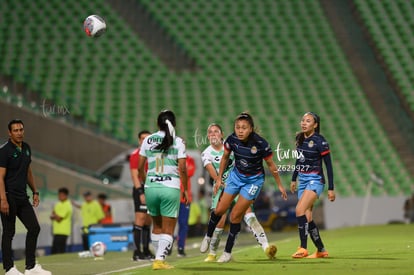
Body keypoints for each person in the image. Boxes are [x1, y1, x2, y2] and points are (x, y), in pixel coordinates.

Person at [200, 113, 287, 263]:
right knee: (219, 210)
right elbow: (225, 158)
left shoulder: (261, 144)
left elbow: (271, 165)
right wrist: (219, 177)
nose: (240, 131)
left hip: (253, 182)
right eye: (237, 127)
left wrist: (279, 184)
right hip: (235, 178)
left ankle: (227, 253)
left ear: (251, 129)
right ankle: (208, 237)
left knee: (235, 216)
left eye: (244, 128)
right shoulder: (232, 139)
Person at [0, 119, 52, 275]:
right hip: (8, 197)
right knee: (9, 232)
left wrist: (35, 191)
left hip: (22, 196)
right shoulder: (4, 151)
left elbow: (28, 171)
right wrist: (2, 199)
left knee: (34, 228)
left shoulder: (27, 148)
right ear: (9, 133)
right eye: (15, 130)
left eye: (21, 129)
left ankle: (30, 267)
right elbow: (0, 177)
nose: (19, 132)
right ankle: (9, 268)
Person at [138, 110, 188, 270]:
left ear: (157, 123)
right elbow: (182, 168)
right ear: (174, 124)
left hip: (151, 186)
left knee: (156, 226)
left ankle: (158, 256)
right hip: (170, 187)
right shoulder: (178, 141)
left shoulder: (147, 140)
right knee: (168, 228)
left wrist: (147, 182)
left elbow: (140, 167)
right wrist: (185, 189)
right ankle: (159, 260)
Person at [290, 112, 335, 258]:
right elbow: (299, 160)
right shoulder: (300, 138)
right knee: (307, 217)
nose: (303, 123)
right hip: (302, 181)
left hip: (315, 180)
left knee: (299, 210)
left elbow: (328, 165)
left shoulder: (320, 141)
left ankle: (303, 247)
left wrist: (331, 188)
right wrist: (294, 178)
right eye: (302, 120)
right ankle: (321, 250)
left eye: (308, 121)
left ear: (315, 125)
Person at [129, 130, 154, 261]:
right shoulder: (135, 155)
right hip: (141, 189)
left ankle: (145, 249)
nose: (145, 140)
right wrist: (140, 192)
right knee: (140, 218)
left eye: (148, 138)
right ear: (139, 141)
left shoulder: (153, 154)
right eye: (143, 138)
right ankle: (136, 251)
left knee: (148, 219)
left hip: (151, 188)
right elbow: (134, 175)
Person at [176, 155, 195, 257]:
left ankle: (180, 247)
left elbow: (189, 173)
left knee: (183, 224)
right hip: (172, 196)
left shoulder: (190, 159)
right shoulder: (170, 157)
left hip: (185, 197)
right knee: (169, 222)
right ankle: (167, 245)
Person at [50, 187, 73, 254]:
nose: (59, 196)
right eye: (59, 195)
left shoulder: (67, 205)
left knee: (60, 251)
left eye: (61, 195)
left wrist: (55, 215)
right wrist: (55, 216)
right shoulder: (58, 204)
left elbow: (59, 218)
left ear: (66, 195)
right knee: (54, 251)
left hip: (63, 231)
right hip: (56, 231)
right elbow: (52, 216)